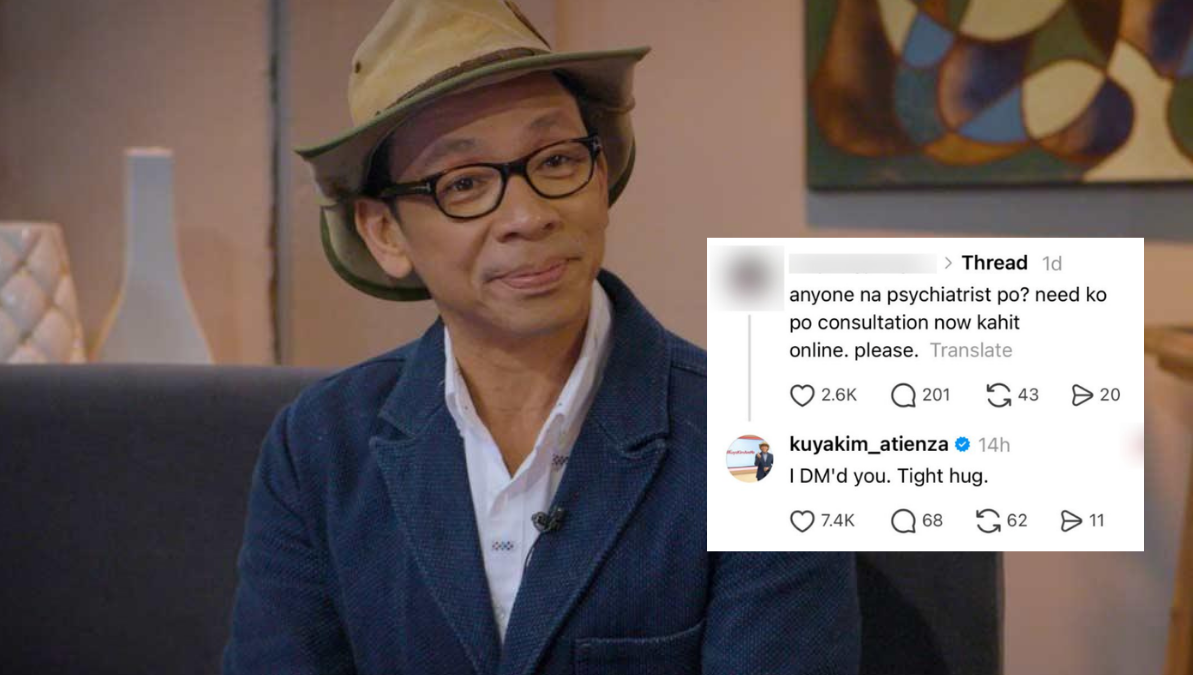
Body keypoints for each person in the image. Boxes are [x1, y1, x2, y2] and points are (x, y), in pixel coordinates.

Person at [220, 1, 861, 673]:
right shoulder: (320, 445)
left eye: (556, 160)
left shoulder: (757, 433)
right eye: (464, 183)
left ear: (601, 176)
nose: (527, 216)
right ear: (385, 233)